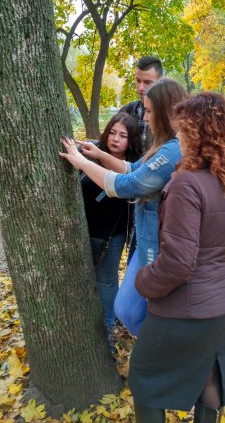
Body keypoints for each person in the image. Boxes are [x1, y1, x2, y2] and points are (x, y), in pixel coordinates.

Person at [128, 92, 225, 423]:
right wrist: (219, 275)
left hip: (186, 310)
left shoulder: (186, 184)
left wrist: (144, 282)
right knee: (210, 376)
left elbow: (178, 262)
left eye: (183, 130)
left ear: (198, 133)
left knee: (144, 378)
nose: (179, 137)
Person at [59, 78, 188, 336]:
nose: (146, 118)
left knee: (132, 309)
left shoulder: (173, 150)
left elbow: (128, 184)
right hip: (145, 240)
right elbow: (133, 168)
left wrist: (81, 163)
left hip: (156, 244)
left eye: (150, 111)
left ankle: (162, 353)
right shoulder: (164, 146)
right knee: (134, 309)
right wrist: (98, 155)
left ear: (165, 112)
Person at [80, 113, 142, 339]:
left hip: (109, 238)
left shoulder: (134, 170)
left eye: (123, 135)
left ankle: (107, 333)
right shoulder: (91, 156)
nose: (115, 139)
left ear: (131, 140)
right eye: (113, 132)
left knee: (106, 284)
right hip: (80, 233)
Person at [121, 56, 163, 151]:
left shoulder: (175, 117)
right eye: (138, 81)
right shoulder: (127, 111)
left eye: (147, 82)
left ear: (161, 81)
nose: (140, 88)